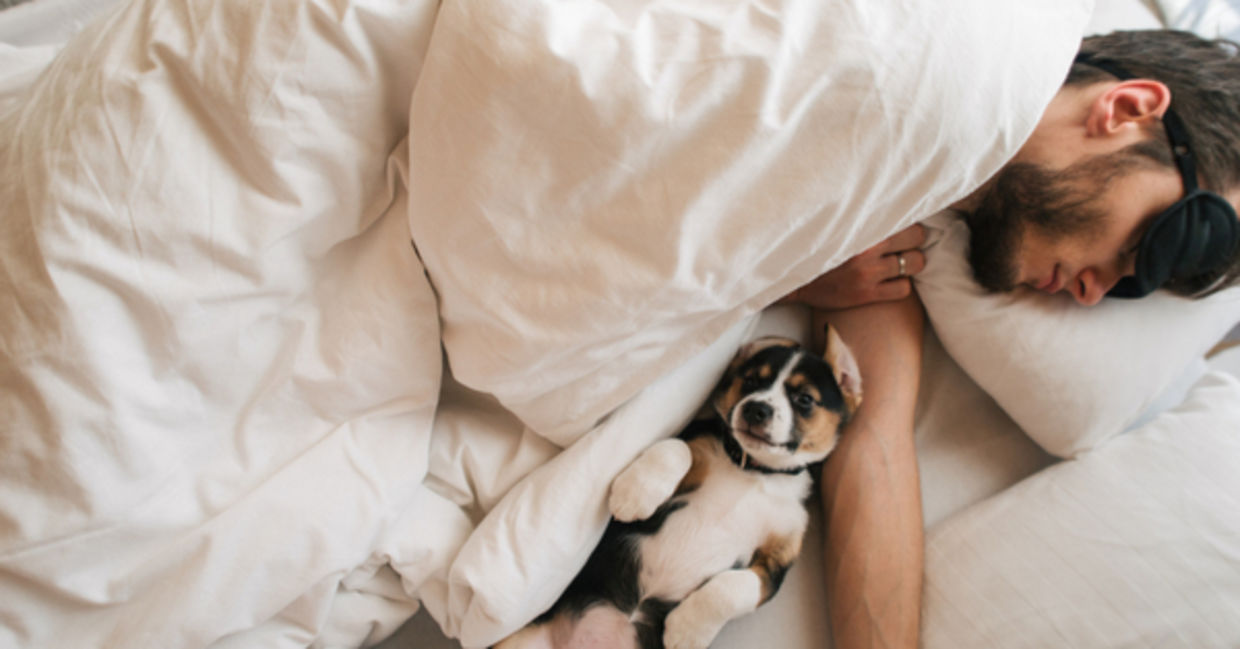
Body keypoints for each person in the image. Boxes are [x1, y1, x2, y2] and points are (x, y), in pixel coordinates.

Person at [784, 29, 1240, 649]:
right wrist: (785, 265)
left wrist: (800, 274)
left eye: (1134, 289)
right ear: (1126, 109)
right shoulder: (935, 42)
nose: (1093, 295)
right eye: (1144, 246)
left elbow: (874, 441)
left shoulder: (902, 239)